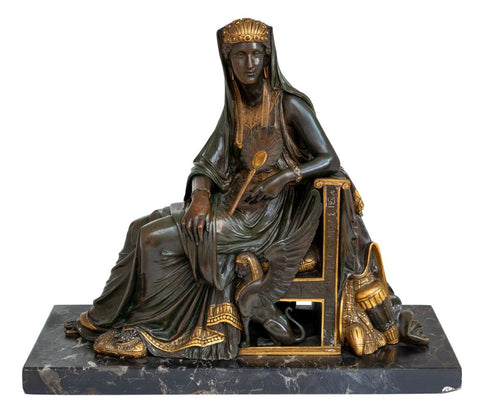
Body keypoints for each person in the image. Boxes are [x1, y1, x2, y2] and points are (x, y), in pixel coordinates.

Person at [65, 18, 428, 359]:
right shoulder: (236, 108)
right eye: (240, 55)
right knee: (137, 228)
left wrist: (283, 177)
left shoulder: (288, 104)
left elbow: (329, 158)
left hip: (270, 217)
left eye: (256, 54)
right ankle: (105, 318)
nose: (249, 63)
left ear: (268, 58)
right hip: (234, 204)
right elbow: (207, 162)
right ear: (228, 61)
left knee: (153, 240)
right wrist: (201, 196)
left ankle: (150, 329)